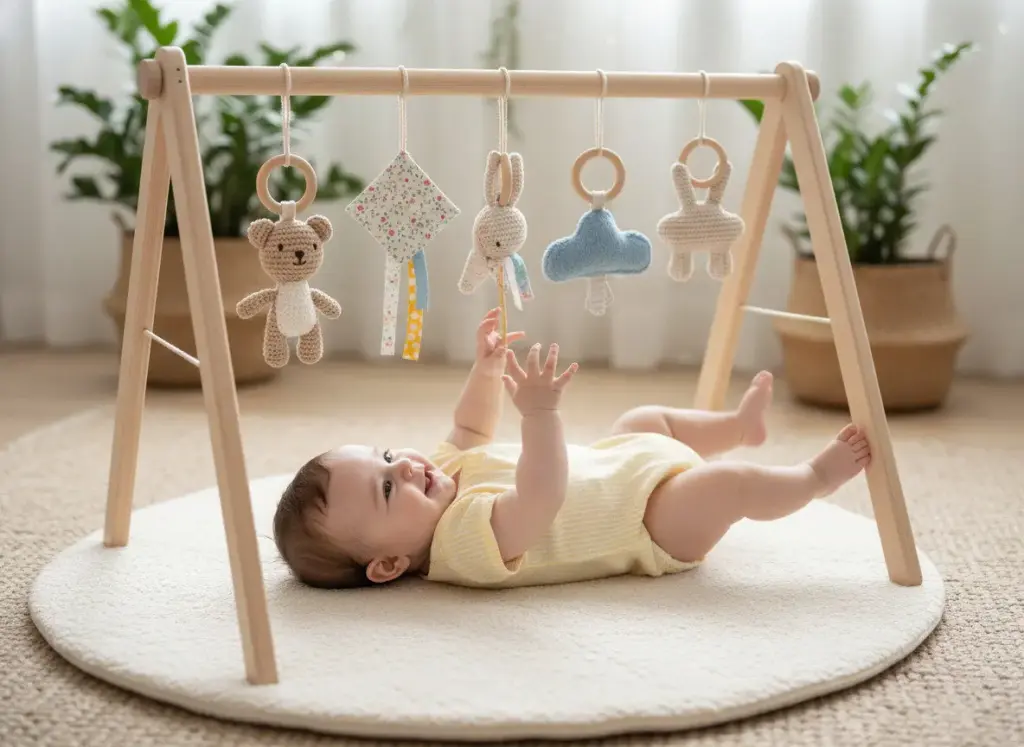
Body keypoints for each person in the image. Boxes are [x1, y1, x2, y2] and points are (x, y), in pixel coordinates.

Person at [273, 308, 871, 590]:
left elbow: (470, 428)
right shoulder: (459, 545)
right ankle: (815, 477)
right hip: (648, 524)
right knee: (728, 486)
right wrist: (540, 415)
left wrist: (485, 371)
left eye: (384, 456)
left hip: (620, 464)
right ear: (388, 565)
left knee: (645, 418)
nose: (402, 465)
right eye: (385, 488)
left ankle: (737, 425)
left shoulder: (439, 474)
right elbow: (541, 495)